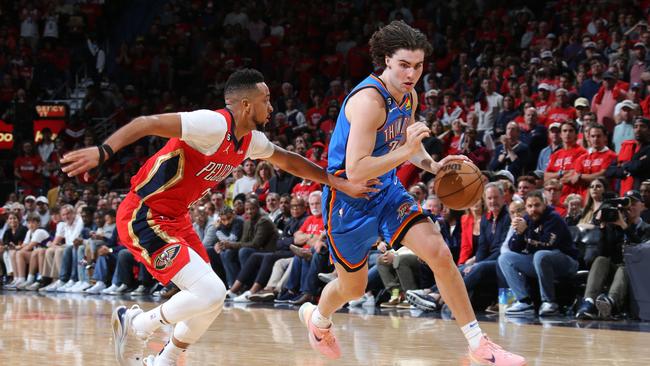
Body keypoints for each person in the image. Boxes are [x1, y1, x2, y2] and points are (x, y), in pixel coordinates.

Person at [61, 68, 376, 366]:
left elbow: (288, 160)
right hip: (143, 215)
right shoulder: (211, 125)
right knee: (210, 291)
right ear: (245, 104)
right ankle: (136, 324)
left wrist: (337, 181)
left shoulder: (251, 140)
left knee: (212, 300)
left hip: (177, 219)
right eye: (265, 99)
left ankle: (167, 358)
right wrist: (102, 152)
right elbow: (145, 122)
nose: (271, 106)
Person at [297, 21, 525, 365]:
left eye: (418, 66)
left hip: (387, 192)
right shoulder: (369, 102)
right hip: (349, 202)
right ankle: (318, 319)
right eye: (404, 64)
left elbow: (408, 143)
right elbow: (357, 168)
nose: (412, 73)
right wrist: (405, 153)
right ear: (386, 60)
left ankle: (479, 344)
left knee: (438, 251)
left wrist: (432, 165)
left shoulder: (409, 94)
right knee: (353, 289)